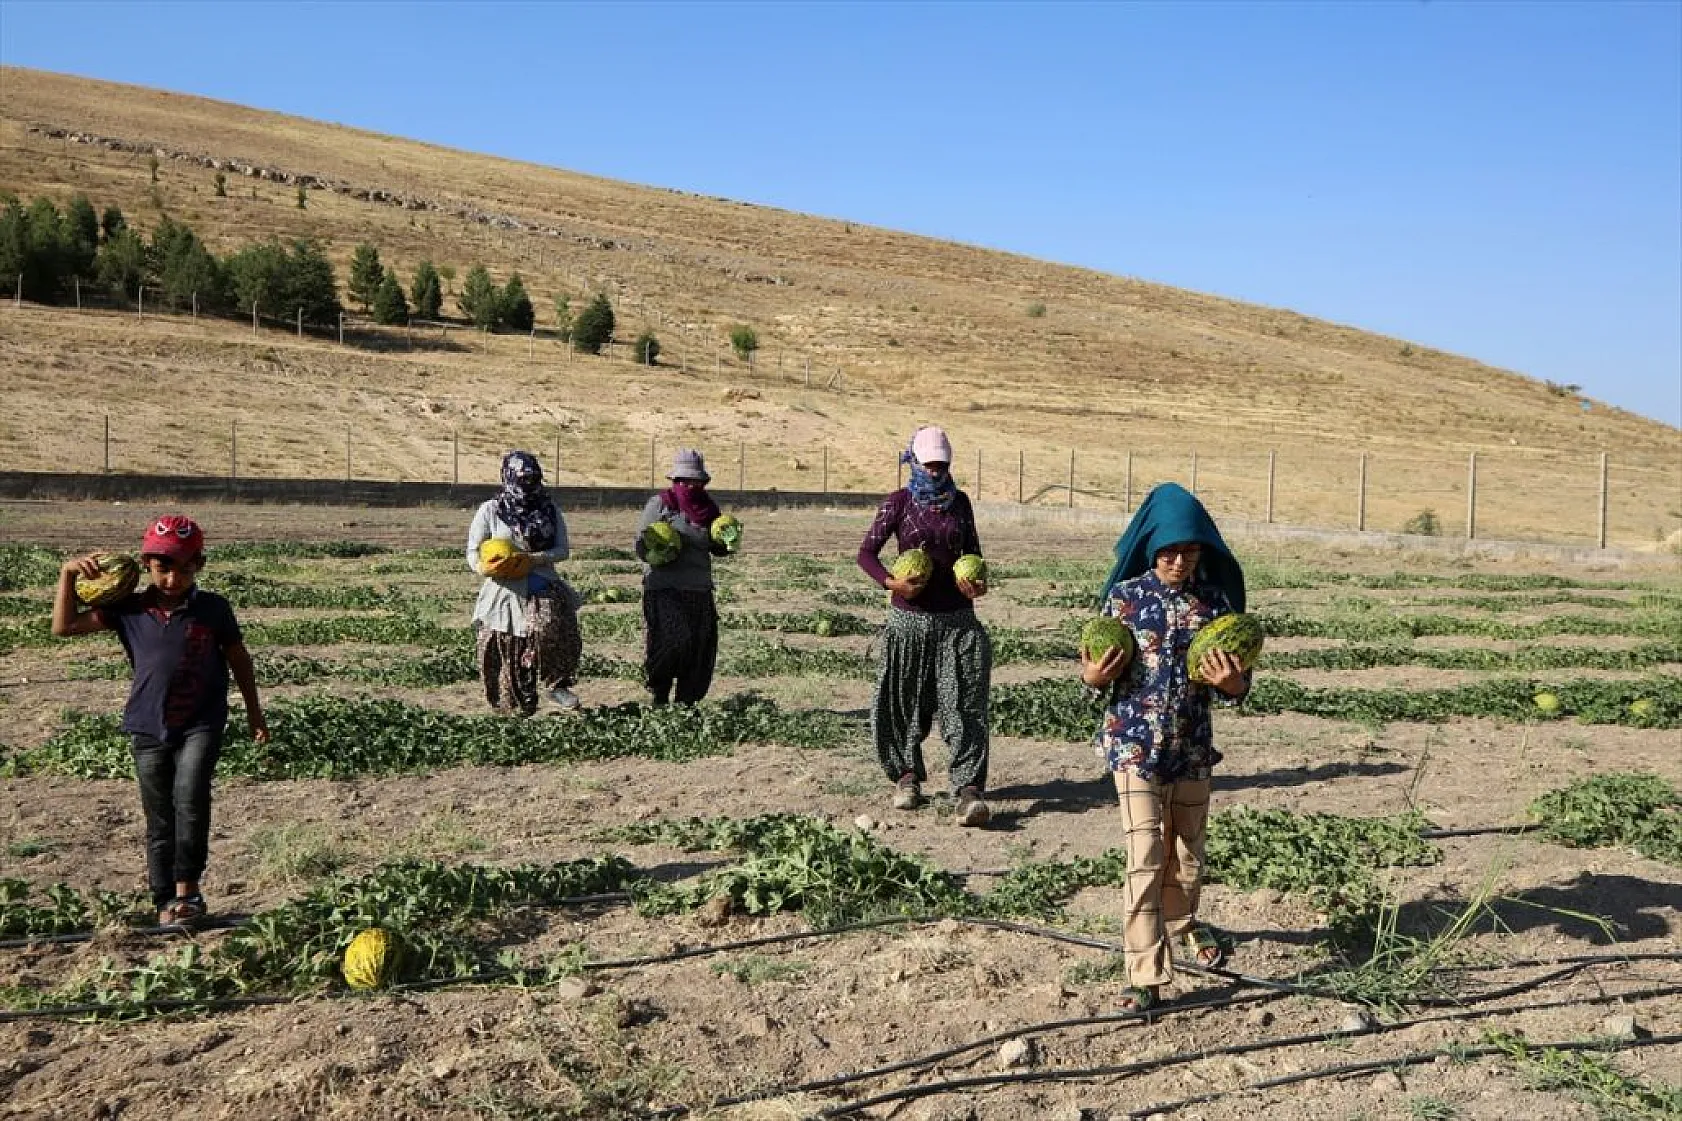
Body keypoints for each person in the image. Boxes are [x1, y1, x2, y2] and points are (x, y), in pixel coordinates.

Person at [1079, 482, 1251, 1012]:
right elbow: (1094, 671)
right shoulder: (1125, 598)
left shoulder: (1216, 605)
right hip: (1134, 749)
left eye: (1189, 550)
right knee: (1145, 858)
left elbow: (1241, 683)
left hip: (1192, 749)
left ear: (1203, 551)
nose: (1178, 560)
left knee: (1187, 860)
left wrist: (1233, 686)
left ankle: (1184, 922)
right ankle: (1144, 976)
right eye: (1169, 550)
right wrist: (1090, 676)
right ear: (1152, 548)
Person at [50, 515, 269, 927]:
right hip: (148, 725)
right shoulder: (128, 608)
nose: (173, 578)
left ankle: (189, 891)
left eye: (185, 568)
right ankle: (163, 897)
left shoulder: (213, 609)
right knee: (159, 815)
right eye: (164, 567)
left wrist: (254, 712)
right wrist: (67, 575)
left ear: (199, 566)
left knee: (190, 799)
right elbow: (63, 627)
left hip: (201, 722)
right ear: (146, 565)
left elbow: (239, 658)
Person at [857, 425, 992, 827]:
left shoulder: (961, 504)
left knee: (965, 704)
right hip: (909, 622)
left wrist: (978, 585)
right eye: (928, 465)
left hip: (957, 622)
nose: (935, 473)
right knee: (904, 702)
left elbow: (975, 555)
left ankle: (968, 789)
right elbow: (866, 553)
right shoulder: (898, 503)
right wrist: (891, 583)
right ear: (913, 462)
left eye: (941, 466)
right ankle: (906, 777)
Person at [467, 450, 584, 715]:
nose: (528, 485)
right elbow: (472, 551)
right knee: (503, 646)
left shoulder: (549, 509)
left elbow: (562, 549)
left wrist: (534, 559)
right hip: (504, 591)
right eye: (523, 479)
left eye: (533, 479)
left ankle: (556, 684)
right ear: (508, 477)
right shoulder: (492, 510)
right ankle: (517, 706)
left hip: (542, 584)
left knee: (548, 630)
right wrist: (483, 567)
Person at [636, 448, 732, 705]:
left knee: (699, 649)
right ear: (675, 481)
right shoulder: (661, 505)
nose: (691, 485)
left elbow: (717, 547)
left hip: (699, 589)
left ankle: (687, 704)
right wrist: (660, 550)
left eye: (696, 481)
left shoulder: (709, 509)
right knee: (673, 641)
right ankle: (659, 693)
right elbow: (640, 546)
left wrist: (727, 542)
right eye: (685, 480)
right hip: (664, 588)